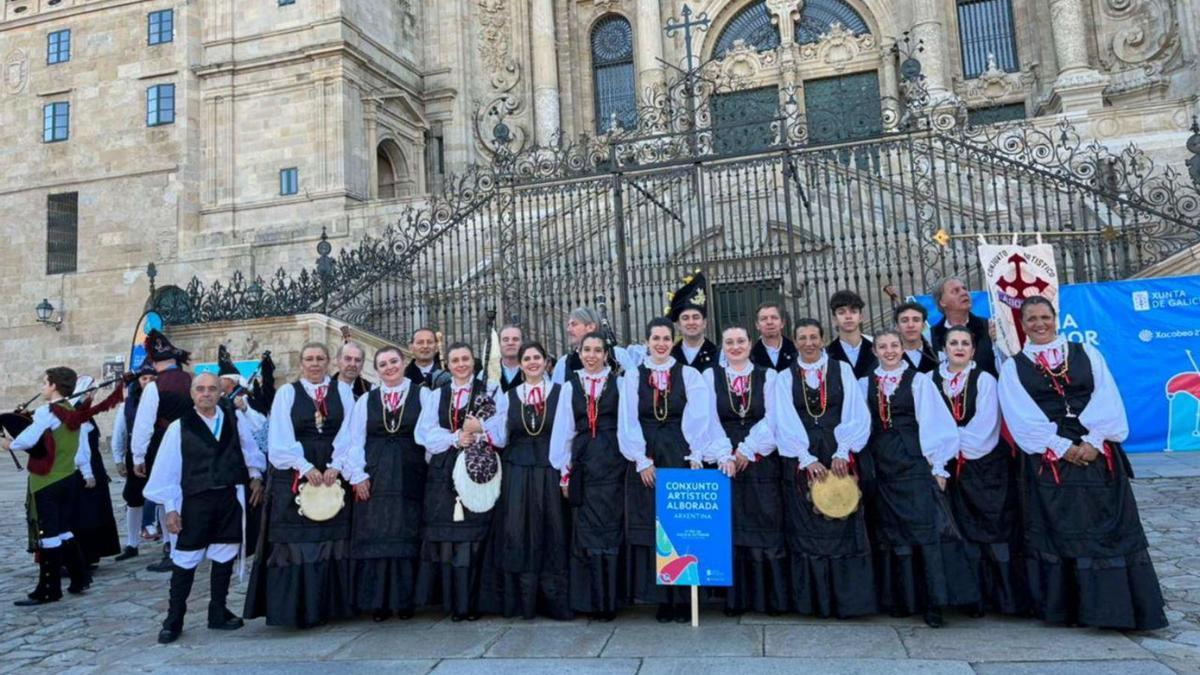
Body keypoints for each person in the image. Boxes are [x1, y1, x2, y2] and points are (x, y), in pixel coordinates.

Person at [998, 296, 1167, 630]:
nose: (1039, 324)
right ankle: (1072, 610)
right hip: (1051, 460)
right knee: (1062, 530)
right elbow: (1021, 416)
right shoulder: (1013, 367)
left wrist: (1092, 440)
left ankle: (1118, 610)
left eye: (1044, 317)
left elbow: (1107, 395)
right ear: (1023, 323)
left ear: (1055, 318)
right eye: (1031, 319)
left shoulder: (1086, 353)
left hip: (1097, 453)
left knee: (1109, 527)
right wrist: (1061, 446)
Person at [861, 330, 979, 627]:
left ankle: (933, 603)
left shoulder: (919, 381)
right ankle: (903, 600)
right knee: (893, 533)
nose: (889, 351)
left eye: (894, 346)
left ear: (903, 348)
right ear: (874, 351)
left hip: (914, 463)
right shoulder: (864, 383)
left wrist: (938, 466)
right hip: (882, 464)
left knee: (925, 532)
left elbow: (935, 422)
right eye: (883, 347)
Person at [619, 317, 726, 622]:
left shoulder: (689, 374)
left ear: (673, 340)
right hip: (650, 455)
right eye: (656, 339)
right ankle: (662, 598)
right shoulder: (633, 376)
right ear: (647, 341)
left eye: (666, 338)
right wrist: (641, 459)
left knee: (681, 526)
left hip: (678, 452)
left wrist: (695, 454)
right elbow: (629, 420)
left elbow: (699, 416)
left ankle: (683, 598)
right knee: (655, 529)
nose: (662, 344)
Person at [144, 373, 266, 643]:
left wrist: (256, 475)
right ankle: (174, 618)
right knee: (185, 559)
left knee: (224, 554)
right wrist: (171, 508)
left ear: (220, 393)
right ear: (192, 394)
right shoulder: (179, 427)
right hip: (195, 501)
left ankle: (218, 611)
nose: (206, 394)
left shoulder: (234, 420)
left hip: (229, 497)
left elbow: (249, 449)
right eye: (200, 389)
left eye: (212, 389)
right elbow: (168, 469)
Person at [244, 341, 355, 628]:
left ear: (329, 361)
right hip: (295, 472)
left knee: (333, 539)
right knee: (297, 541)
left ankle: (331, 607)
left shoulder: (343, 391)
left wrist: (337, 465)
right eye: (309, 358)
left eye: (320, 358)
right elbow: (279, 439)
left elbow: (350, 432)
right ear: (301, 363)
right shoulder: (286, 393)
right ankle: (297, 609)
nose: (315, 363)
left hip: (333, 470)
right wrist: (304, 466)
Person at [773, 319, 876, 619]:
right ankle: (813, 603)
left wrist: (843, 450)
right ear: (794, 341)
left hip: (838, 453)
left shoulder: (842, 370)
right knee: (807, 527)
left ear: (822, 339)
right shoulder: (783, 378)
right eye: (802, 337)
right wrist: (805, 458)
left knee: (843, 523)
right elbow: (783, 418)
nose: (808, 343)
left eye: (814, 337)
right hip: (803, 457)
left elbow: (856, 412)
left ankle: (847, 602)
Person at [414, 342, 509, 621]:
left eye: (465, 358)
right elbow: (424, 433)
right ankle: (453, 603)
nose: (460, 364)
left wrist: (479, 430)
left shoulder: (489, 391)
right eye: (455, 360)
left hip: (478, 467)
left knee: (474, 537)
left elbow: (503, 428)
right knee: (448, 539)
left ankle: (473, 603)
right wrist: (455, 438)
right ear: (448, 365)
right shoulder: (437, 395)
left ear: (473, 361)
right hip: (444, 470)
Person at [935, 326, 1025, 617]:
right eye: (953, 343)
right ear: (944, 348)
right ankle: (969, 599)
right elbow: (928, 421)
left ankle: (1003, 599)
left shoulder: (985, 379)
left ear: (973, 350)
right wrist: (943, 452)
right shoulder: (929, 380)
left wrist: (952, 444)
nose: (959, 348)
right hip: (945, 468)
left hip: (984, 466)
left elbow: (986, 425)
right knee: (958, 533)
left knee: (992, 531)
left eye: (965, 343)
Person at [333, 346, 426, 622]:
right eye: (383, 364)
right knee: (375, 537)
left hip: (411, 474)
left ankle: (405, 601)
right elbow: (352, 440)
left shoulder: (424, 395)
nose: (389, 367)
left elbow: (431, 433)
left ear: (403, 362)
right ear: (377, 369)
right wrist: (357, 475)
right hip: (375, 477)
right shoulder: (366, 401)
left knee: (407, 537)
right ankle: (378, 602)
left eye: (393, 362)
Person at [487, 341, 572, 620]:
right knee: (517, 531)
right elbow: (500, 436)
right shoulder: (508, 395)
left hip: (549, 469)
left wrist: (565, 472)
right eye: (527, 358)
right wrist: (480, 426)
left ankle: (554, 602)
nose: (532, 362)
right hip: (517, 472)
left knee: (552, 530)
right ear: (520, 364)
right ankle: (521, 603)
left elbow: (567, 434)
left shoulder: (561, 393)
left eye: (537, 357)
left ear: (546, 362)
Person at [708, 325, 786, 616]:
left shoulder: (769, 376)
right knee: (730, 528)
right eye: (729, 342)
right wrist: (724, 452)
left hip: (759, 459)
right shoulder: (710, 376)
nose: (736, 346)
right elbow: (707, 417)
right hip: (724, 460)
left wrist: (747, 449)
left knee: (763, 523)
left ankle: (769, 599)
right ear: (723, 346)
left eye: (741, 341)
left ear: (750, 344)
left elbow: (774, 417)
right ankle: (734, 600)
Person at [4, 367, 96, 605]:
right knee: (64, 528)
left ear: (54, 385)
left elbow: (27, 440)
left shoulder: (48, 411)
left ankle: (49, 588)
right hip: (68, 477)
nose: (43, 386)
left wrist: (7, 443)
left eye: (45, 382)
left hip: (47, 481)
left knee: (48, 535)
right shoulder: (71, 412)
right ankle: (79, 578)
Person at [549, 332, 624, 621]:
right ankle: (591, 601)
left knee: (612, 529)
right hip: (583, 465)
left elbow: (627, 425)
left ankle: (611, 601)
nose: (591, 355)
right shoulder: (570, 386)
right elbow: (564, 431)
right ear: (579, 353)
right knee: (586, 532)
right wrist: (564, 472)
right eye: (586, 350)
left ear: (606, 354)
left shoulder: (619, 383)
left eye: (597, 350)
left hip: (612, 462)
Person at [131, 329, 195, 573]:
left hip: (164, 442)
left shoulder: (154, 387)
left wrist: (138, 456)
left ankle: (172, 547)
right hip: (194, 442)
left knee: (168, 493)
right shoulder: (192, 380)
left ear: (155, 363)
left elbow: (143, 424)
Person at [71, 376, 121, 567]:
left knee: (94, 513)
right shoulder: (77, 415)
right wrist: (87, 473)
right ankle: (83, 555)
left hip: (94, 467)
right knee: (84, 515)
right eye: (90, 392)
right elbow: (79, 447)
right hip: (84, 471)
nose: (93, 395)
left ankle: (92, 554)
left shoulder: (85, 414)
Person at [111, 359, 158, 560]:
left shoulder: (162, 400)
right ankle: (132, 543)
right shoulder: (128, 404)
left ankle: (167, 543)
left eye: (152, 378)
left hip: (157, 453)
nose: (147, 382)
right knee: (134, 498)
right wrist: (119, 458)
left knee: (161, 496)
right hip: (134, 456)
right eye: (144, 378)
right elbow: (120, 432)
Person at [930, 277, 1001, 377]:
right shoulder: (933, 334)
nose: (964, 293)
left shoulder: (989, 326)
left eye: (964, 288)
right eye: (955, 291)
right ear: (942, 302)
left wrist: (998, 342)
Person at [552, 307, 640, 384]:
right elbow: (557, 397)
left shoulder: (618, 354)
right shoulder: (563, 363)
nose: (568, 329)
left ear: (590, 327)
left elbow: (633, 387)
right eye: (568, 325)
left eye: (574, 324)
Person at [667, 272, 719, 372]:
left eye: (696, 317)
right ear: (678, 324)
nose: (691, 322)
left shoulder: (718, 355)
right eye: (685, 318)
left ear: (704, 322)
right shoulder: (670, 356)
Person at [825, 290, 877, 379]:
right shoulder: (827, 354)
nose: (848, 316)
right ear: (834, 319)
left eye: (853, 311)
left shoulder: (877, 348)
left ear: (861, 317)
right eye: (841, 312)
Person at [749, 302, 798, 372]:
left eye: (774, 318)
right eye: (764, 319)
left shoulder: (796, 351)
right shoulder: (751, 356)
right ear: (757, 325)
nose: (769, 322)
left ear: (782, 323)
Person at [893, 302, 938, 373]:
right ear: (897, 326)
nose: (910, 325)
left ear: (923, 325)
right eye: (904, 321)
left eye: (916, 320)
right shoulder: (889, 357)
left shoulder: (937, 354)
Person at [497, 325, 526, 393]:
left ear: (522, 343)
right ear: (499, 344)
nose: (510, 343)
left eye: (515, 339)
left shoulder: (532, 370)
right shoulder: (488, 373)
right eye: (505, 340)